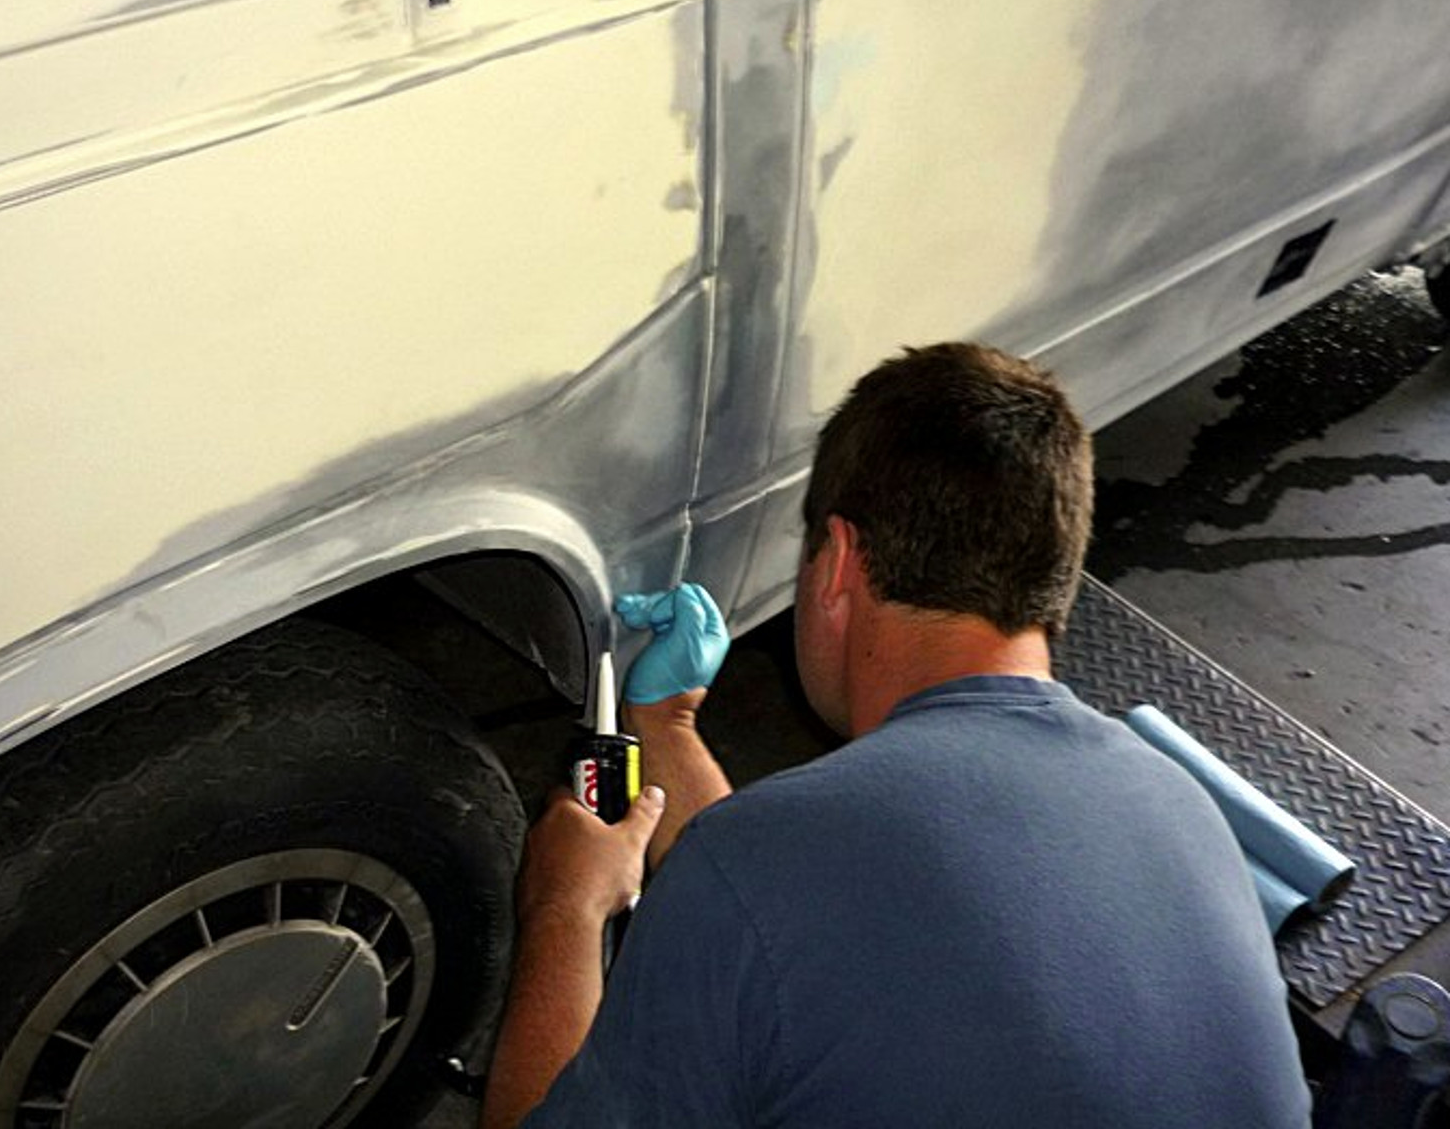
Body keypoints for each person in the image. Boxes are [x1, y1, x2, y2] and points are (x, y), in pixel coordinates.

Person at [480, 342, 1312, 1128]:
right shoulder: (1178, 804)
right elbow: (814, 917)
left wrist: (565, 907)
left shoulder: (758, 870)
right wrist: (667, 723)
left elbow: (768, 892)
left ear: (839, 560)